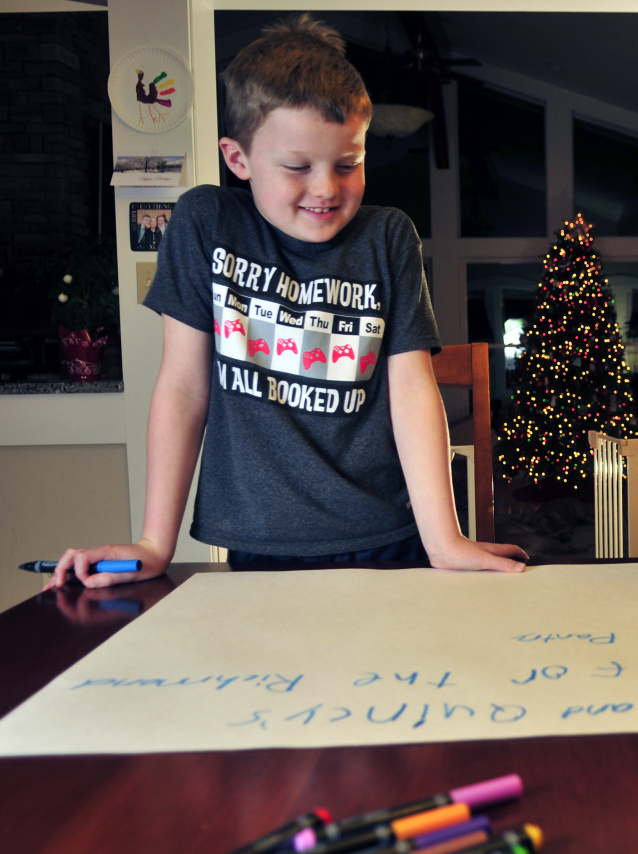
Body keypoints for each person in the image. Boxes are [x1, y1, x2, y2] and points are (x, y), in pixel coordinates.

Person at [49, 14, 528, 589]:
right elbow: (182, 387)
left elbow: (411, 390)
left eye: (348, 164)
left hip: (387, 536)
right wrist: (155, 542)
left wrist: (444, 542)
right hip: (258, 543)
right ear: (238, 159)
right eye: (298, 167)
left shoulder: (389, 236)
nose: (326, 187)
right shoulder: (205, 223)